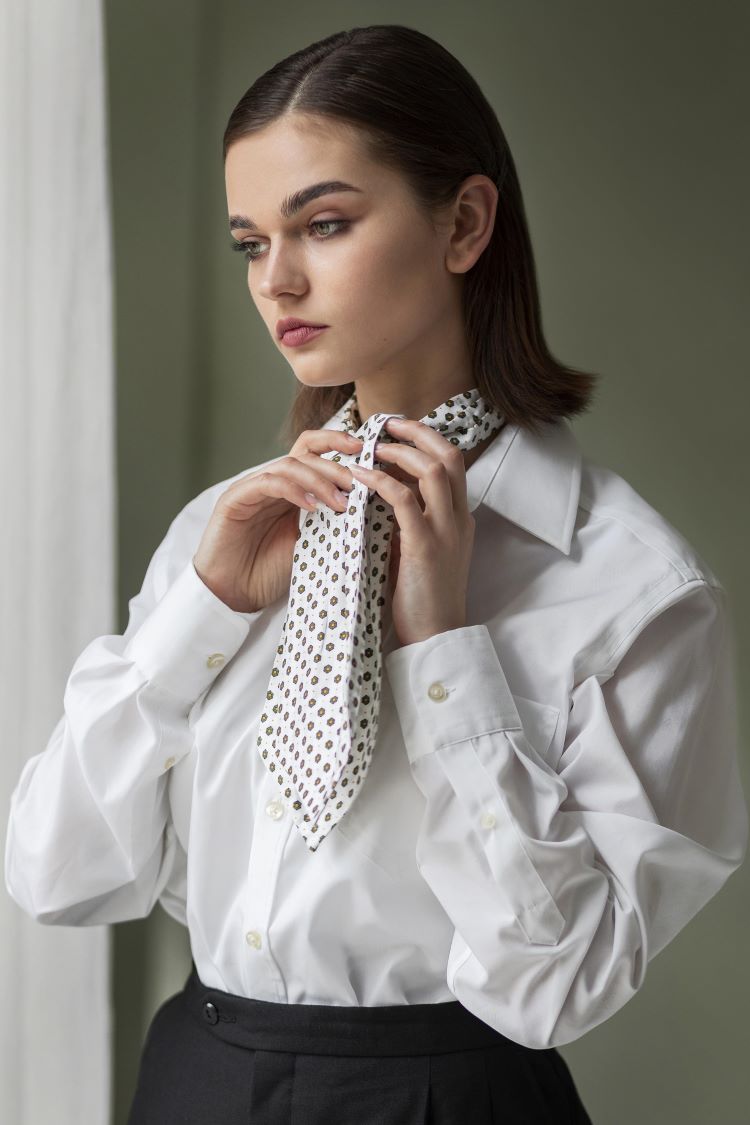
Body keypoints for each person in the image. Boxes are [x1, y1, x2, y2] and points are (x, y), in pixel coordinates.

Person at [5, 22, 747, 1125]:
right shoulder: (229, 532)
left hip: (452, 1098)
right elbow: (53, 876)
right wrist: (197, 619)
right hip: (196, 1082)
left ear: (465, 223)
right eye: (251, 243)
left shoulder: (632, 588)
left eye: (327, 223)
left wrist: (446, 653)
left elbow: (562, 986)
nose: (279, 281)